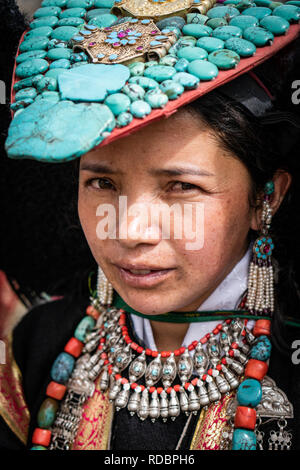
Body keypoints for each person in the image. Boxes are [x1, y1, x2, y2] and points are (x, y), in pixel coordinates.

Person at [0, 0, 300, 451]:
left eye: (180, 186)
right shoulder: (39, 345)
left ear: (266, 198)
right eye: (101, 181)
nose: (130, 230)